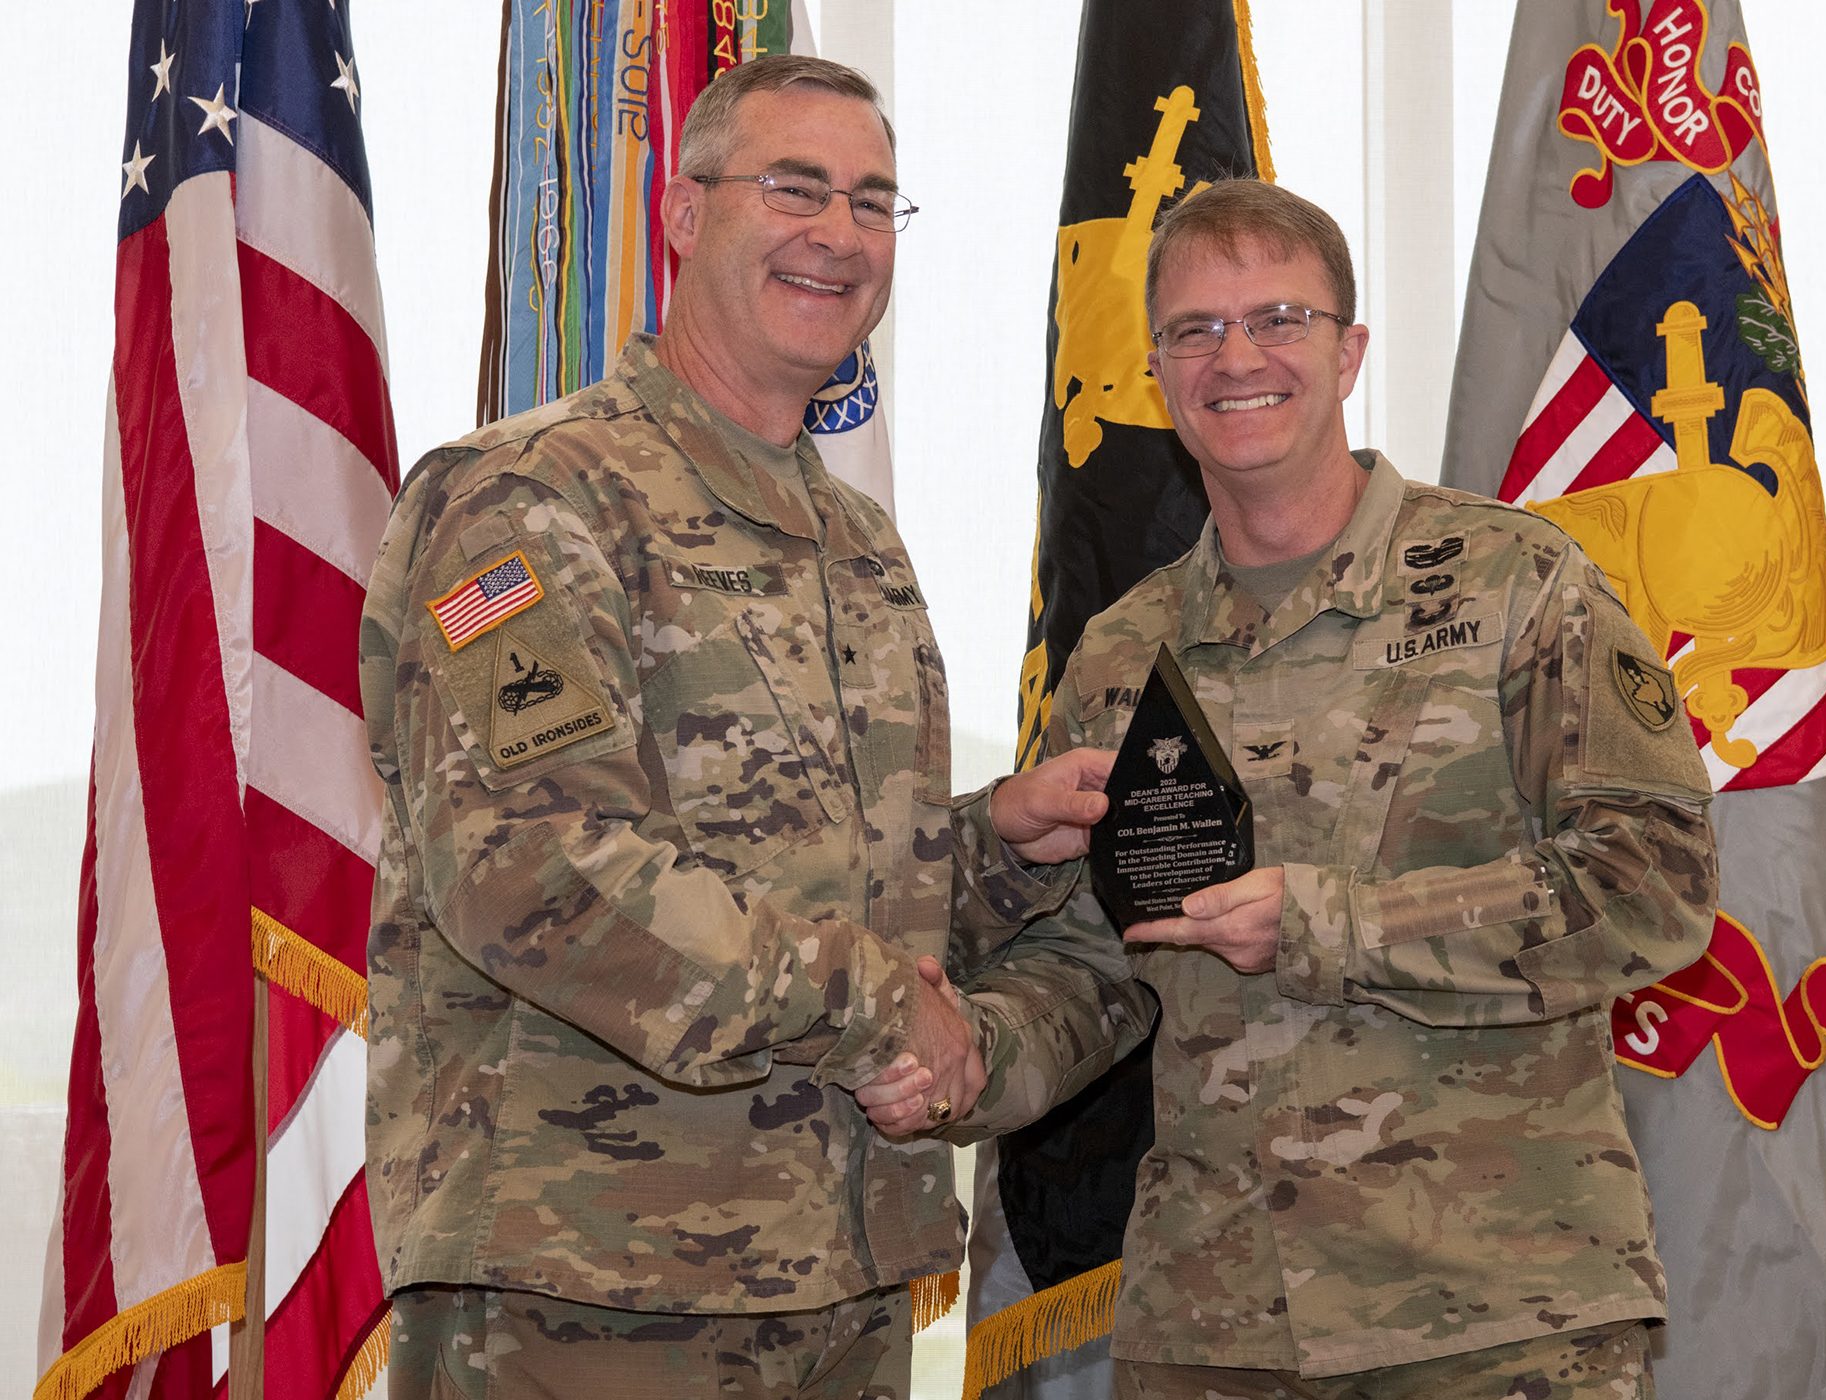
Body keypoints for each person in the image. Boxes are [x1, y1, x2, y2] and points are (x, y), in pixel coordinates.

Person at [358, 55, 1150, 1400]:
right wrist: (881, 1004)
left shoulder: (858, 547)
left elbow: (826, 885)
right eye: (795, 187)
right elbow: (540, 874)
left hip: (841, 1282)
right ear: (683, 212)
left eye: (872, 203)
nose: (837, 234)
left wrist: (999, 850)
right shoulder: (531, 501)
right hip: (591, 1296)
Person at [1001, 179, 1720, 1399]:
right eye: (1196, 329)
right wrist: (960, 1057)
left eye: (1280, 317)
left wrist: (1332, 921)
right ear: (1161, 373)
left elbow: (1656, 884)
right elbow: (1100, 962)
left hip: (1494, 1315)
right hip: (1213, 1323)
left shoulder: (1517, 583)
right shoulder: (1123, 652)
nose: (1238, 357)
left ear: (1350, 351)